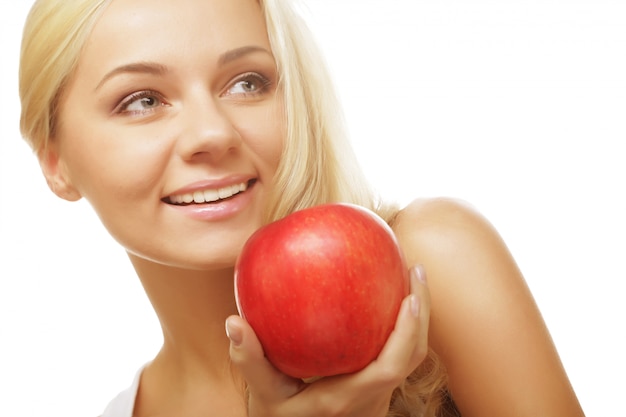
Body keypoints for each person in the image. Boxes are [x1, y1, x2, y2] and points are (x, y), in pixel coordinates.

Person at [18, 0, 585, 416]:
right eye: (142, 101)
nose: (212, 133)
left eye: (246, 83)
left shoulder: (428, 268)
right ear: (55, 161)